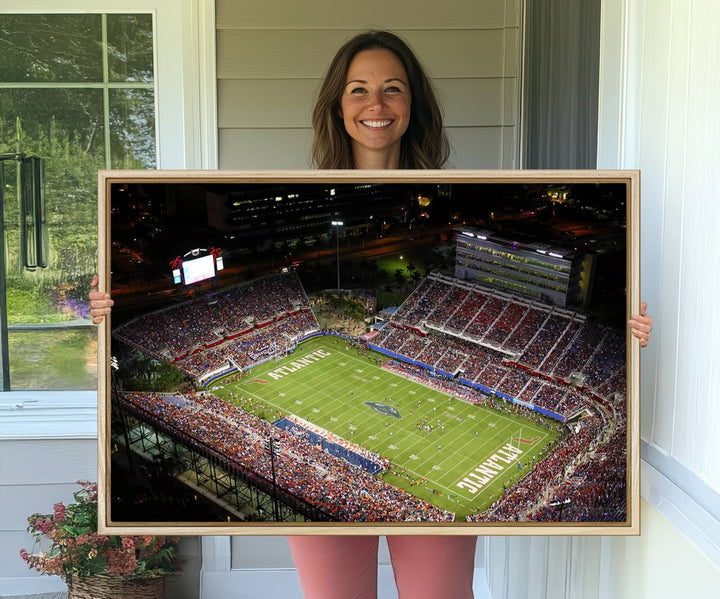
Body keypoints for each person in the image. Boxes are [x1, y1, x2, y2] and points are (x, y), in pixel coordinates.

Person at [90, 30, 653, 599]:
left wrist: (627, 334)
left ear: (414, 105)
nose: (376, 105)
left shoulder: (454, 190)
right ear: (338, 105)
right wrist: (104, 305)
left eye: (393, 89)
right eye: (358, 90)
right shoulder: (300, 189)